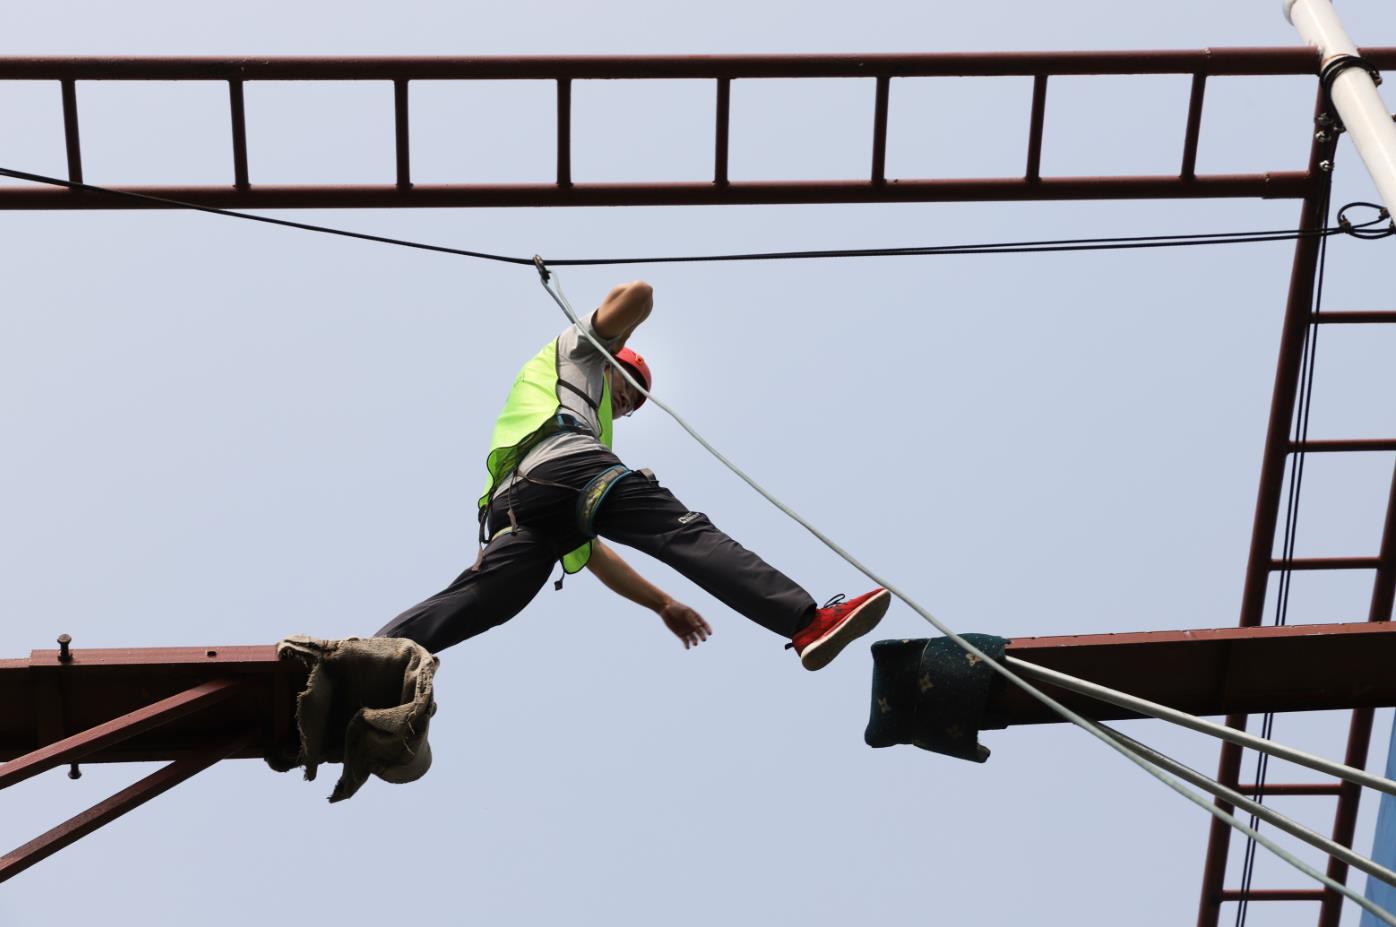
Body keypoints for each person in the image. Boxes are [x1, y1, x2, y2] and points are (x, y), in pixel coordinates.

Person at [376, 279, 889, 669]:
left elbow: (595, 555)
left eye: (637, 402)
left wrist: (661, 604)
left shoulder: (589, 422)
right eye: (630, 386)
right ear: (611, 361)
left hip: (523, 505)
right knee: (681, 530)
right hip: (563, 467)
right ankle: (806, 621)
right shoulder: (578, 352)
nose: (629, 402)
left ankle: (369, 656)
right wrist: (615, 336)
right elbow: (639, 293)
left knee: (486, 598)